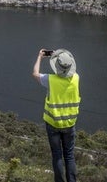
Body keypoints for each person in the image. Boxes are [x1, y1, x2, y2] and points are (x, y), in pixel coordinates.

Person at [32, 48, 80, 182]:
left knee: (57, 155)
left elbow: (35, 73)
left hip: (53, 123)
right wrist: (60, 57)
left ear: (56, 66)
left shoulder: (50, 79)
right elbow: (66, 68)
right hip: (70, 123)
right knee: (69, 156)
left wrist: (40, 57)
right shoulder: (76, 78)